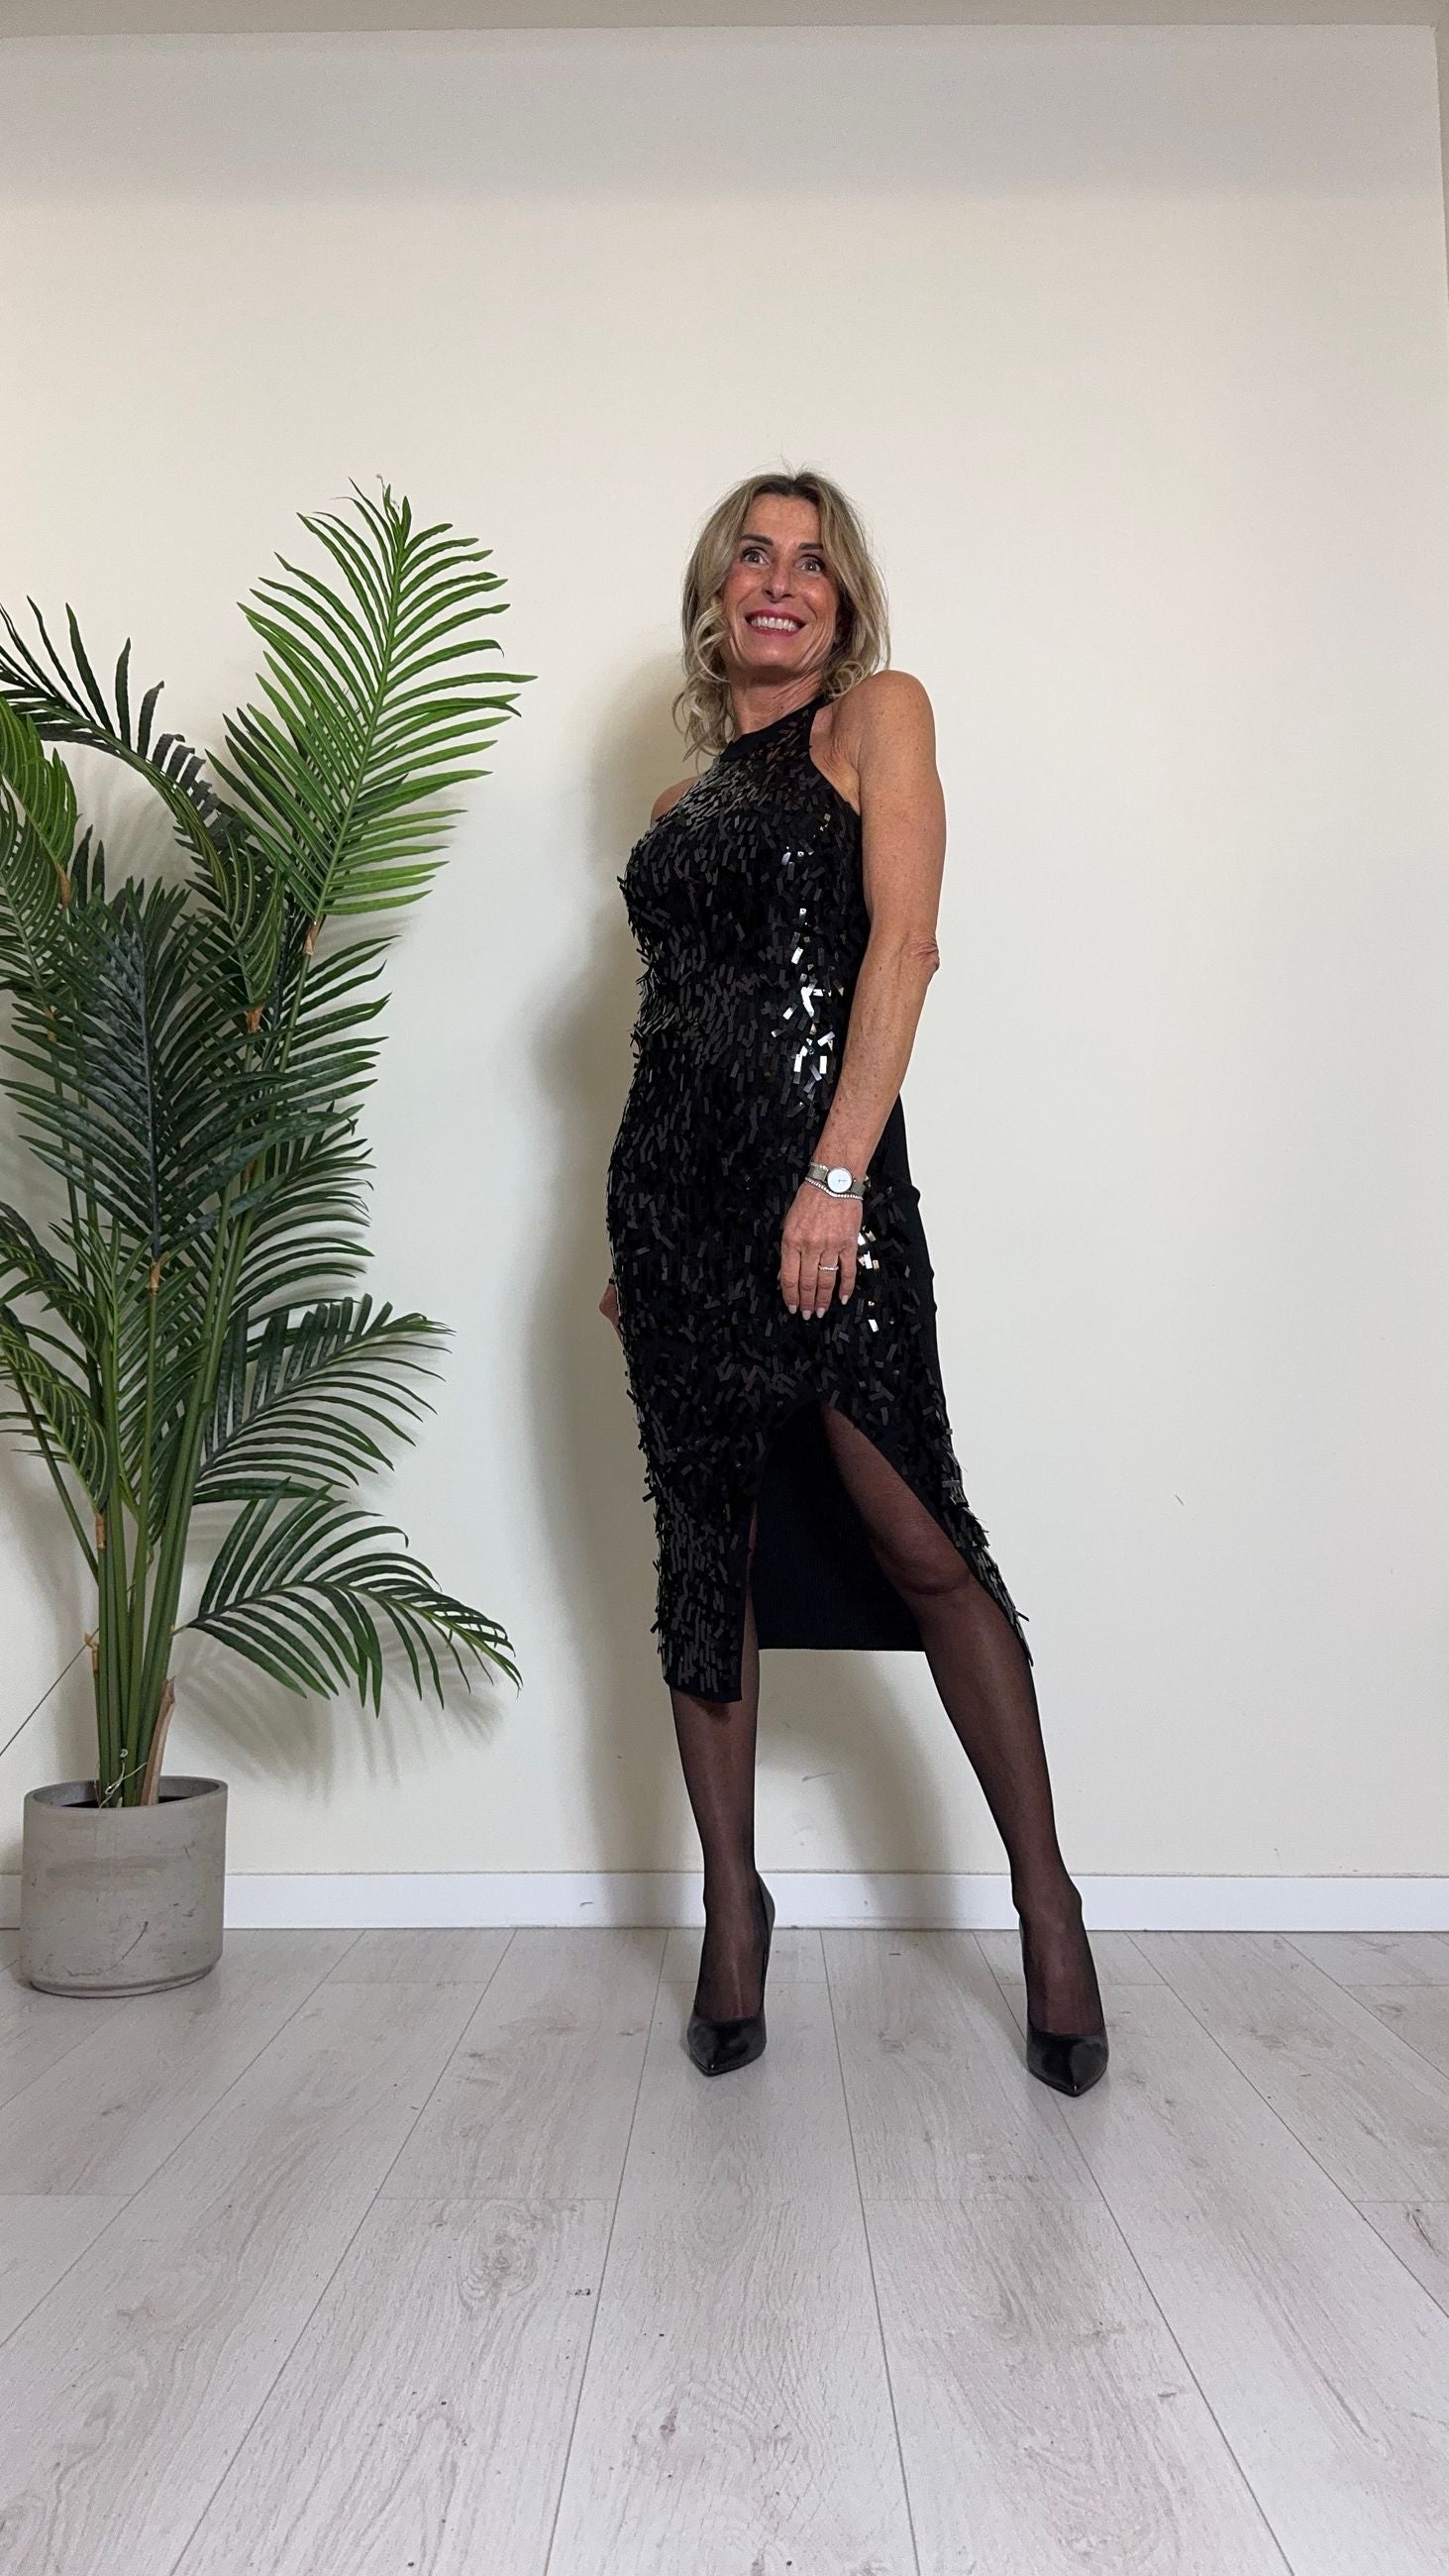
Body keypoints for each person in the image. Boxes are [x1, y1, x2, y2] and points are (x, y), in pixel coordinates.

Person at [601, 466, 1106, 2095]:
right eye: (752, 555)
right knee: (707, 1560)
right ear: (715, 592)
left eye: (811, 563)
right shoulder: (676, 809)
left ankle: (1047, 1902)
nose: (779, 580)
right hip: (675, 1221)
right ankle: (731, 1911)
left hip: (825, 1194)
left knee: (919, 1536)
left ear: (843, 603)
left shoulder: (876, 718)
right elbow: (673, 1024)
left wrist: (834, 1178)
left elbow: (903, 945)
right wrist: (637, 1242)